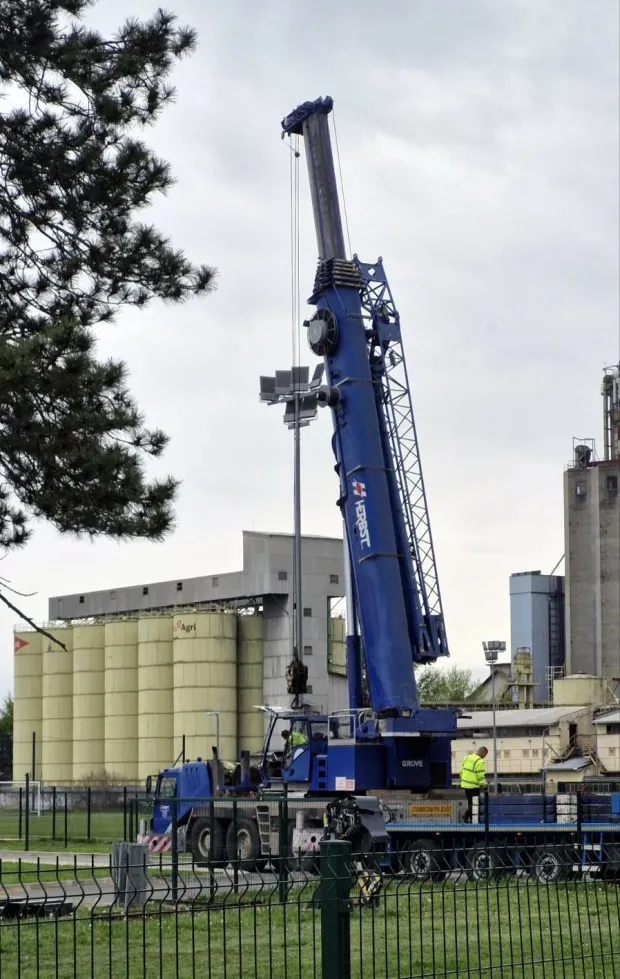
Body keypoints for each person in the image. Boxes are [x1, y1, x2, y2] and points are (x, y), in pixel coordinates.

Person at [460, 746, 488, 823]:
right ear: (484, 754)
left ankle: (471, 820)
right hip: (473, 786)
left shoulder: (467, 758)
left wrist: (463, 780)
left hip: (465, 785)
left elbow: (461, 771)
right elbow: (480, 776)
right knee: (475, 804)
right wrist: (484, 785)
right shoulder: (480, 761)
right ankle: (465, 815)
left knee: (471, 803)